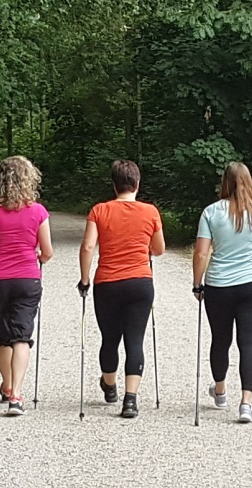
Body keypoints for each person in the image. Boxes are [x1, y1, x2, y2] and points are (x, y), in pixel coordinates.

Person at [191, 162, 252, 424]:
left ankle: (220, 391)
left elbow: (202, 252)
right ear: (249, 182)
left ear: (224, 183)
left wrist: (198, 283)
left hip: (219, 285)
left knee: (221, 339)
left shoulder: (211, 213)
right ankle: (246, 403)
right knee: (248, 342)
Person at [78, 160, 164, 419]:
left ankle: (110, 386)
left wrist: (84, 280)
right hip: (140, 282)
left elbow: (87, 247)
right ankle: (130, 400)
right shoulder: (150, 212)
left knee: (110, 338)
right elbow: (158, 249)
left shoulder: (99, 211)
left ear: (114, 184)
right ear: (137, 184)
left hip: (107, 283)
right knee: (135, 340)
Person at [0, 156, 53, 417]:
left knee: (2, 335)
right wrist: (38, 257)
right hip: (27, 278)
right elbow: (48, 251)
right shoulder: (38, 212)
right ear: (29, 180)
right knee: (22, 335)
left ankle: (7, 385)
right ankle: (16, 395)